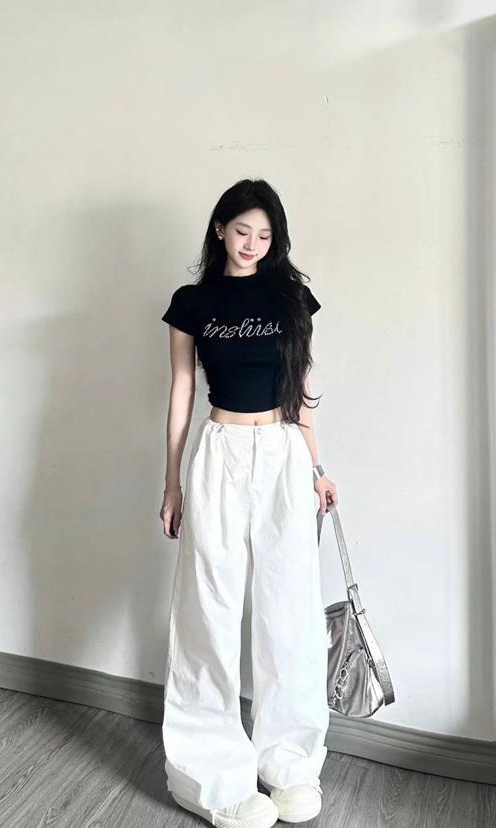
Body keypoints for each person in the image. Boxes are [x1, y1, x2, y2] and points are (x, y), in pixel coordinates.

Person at [159, 178, 338, 828]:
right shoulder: (193, 303)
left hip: (283, 450)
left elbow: (301, 389)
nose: (252, 244)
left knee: (288, 609)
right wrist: (172, 482)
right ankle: (210, 777)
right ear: (220, 229)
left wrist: (316, 467)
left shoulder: (290, 298)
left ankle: (288, 764)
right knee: (206, 610)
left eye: (264, 235)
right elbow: (181, 393)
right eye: (242, 232)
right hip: (220, 450)